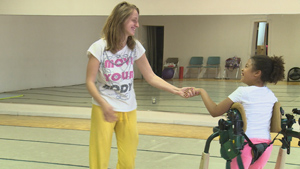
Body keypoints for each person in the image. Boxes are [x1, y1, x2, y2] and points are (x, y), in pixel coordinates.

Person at [85, 2, 193, 169]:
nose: (137, 24)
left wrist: (177, 90)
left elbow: (150, 76)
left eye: (137, 20)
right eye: (133, 20)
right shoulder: (99, 47)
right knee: (99, 159)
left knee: (128, 160)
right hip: (103, 109)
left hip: (129, 109)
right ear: (120, 20)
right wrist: (104, 104)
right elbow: (90, 82)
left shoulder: (134, 47)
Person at [192, 55, 285, 169]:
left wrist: (202, 91)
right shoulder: (271, 95)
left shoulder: (242, 92)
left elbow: (215, 111)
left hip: (244, 145)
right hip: (266, 146)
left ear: (257, 73)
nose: (242, 69)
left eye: (246, 66)